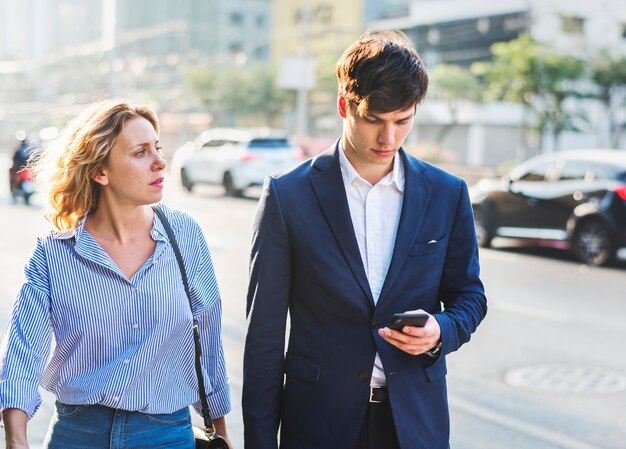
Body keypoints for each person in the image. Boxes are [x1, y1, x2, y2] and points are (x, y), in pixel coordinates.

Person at [242, 31, 487, 449]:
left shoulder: (447, 193)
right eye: (374, 119)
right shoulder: (288, 196)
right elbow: (263, 338)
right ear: (344, 106)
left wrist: (441, 330)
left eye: (402, 121)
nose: (388, 138)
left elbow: (470, 296)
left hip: (414, 425)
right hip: (319, 425)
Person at [0, 100, 232, 449]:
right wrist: (16, 439)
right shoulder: (54, 252)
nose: (160, 161)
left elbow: (209, 341)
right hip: (78, 435)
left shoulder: (184, 234)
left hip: (167, 435)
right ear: (100, 172)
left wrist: (221, 431)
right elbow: (23, 350)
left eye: (158, 147)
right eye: (140, 152)